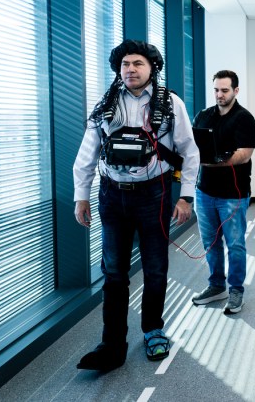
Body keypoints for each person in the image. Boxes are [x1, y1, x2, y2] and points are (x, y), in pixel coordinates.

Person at [72, 39, 200, 371]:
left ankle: (153, 331)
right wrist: (80, 195)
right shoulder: (104, 105)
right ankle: (112, 343)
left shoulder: (170, 104)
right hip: (112, 195)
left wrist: (186, 196)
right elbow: (87, 152)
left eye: (137, 64)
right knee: (113, 271)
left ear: (151, 68)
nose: (130, 69)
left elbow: (189, 150)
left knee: (155, 267)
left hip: (152, 194)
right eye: (125, 64)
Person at [191, 70, 255, 314]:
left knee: (235, 244)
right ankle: (217, 286)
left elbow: (245, 153)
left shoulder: (244, 119)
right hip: (204, 192)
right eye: (216, 90)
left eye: (225, 90)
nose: (219, 95)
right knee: (211, 243)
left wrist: (214, 161)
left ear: (236, 91)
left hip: (233, 195)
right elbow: (191, 145)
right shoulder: (203, 116)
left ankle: (236, 289)